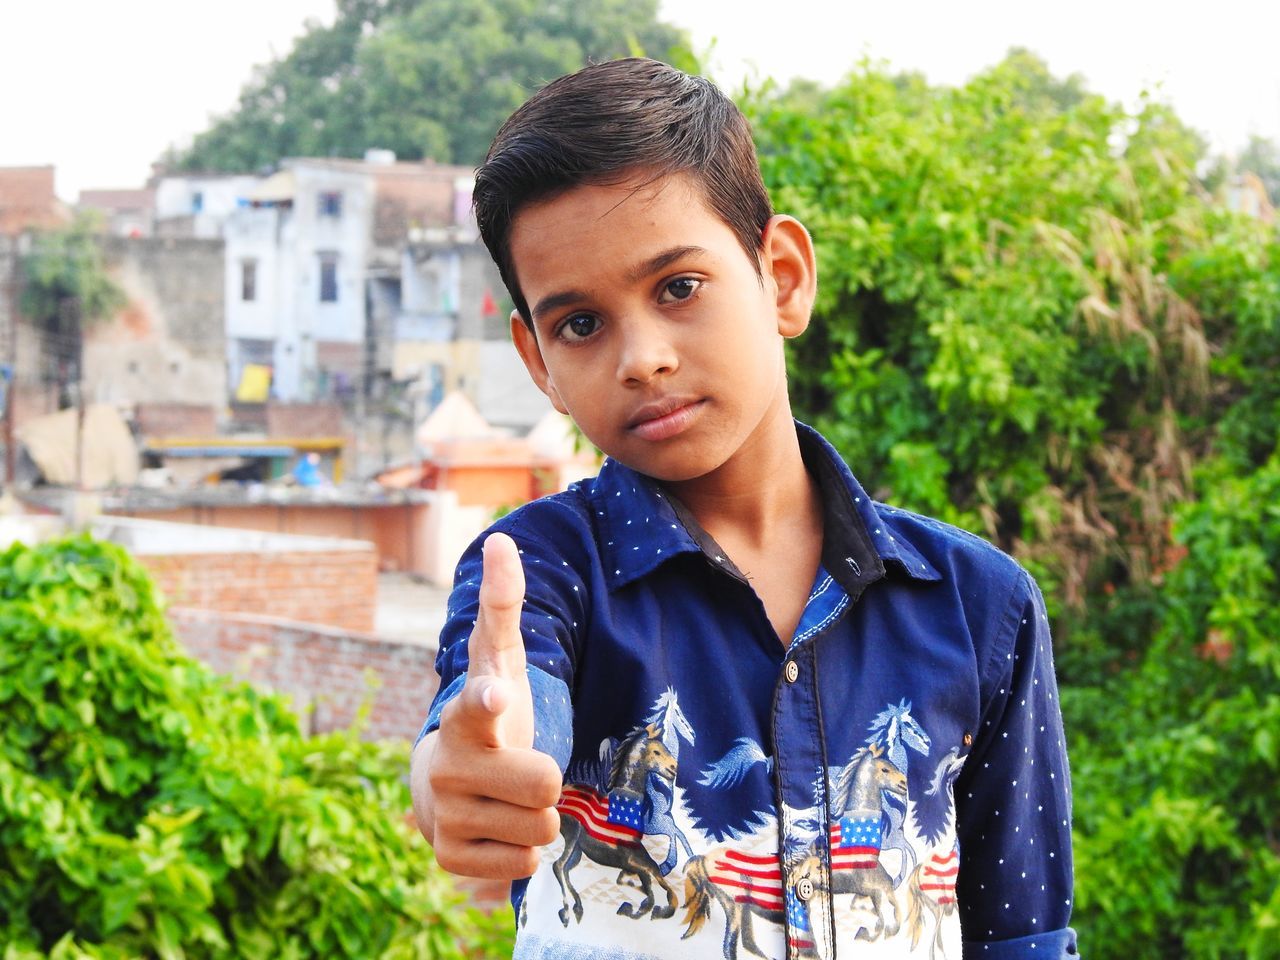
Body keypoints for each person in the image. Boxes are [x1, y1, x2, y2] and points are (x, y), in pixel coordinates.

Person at [410, 58, 1077, 960]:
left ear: (784, 278)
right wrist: (471, 764)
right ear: (537, 362)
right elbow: (498, 708)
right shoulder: (537, 574)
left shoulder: (978, 605)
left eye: (678, 287)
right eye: (580, 324)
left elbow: (1023, 934)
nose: (641, 357)